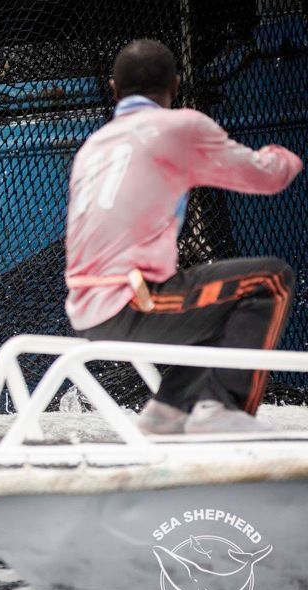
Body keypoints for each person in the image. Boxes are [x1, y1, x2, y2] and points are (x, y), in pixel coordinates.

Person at [65, 39, 303, 434]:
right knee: (271, 280)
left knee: (219, 304)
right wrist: (289, 154)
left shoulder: (95, 145)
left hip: (85, 307)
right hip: (133, 300)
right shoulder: (179, 127)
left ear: (113, 89)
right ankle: (224, 409)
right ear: (175, 86)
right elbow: (267, 176)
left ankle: (168, 411)